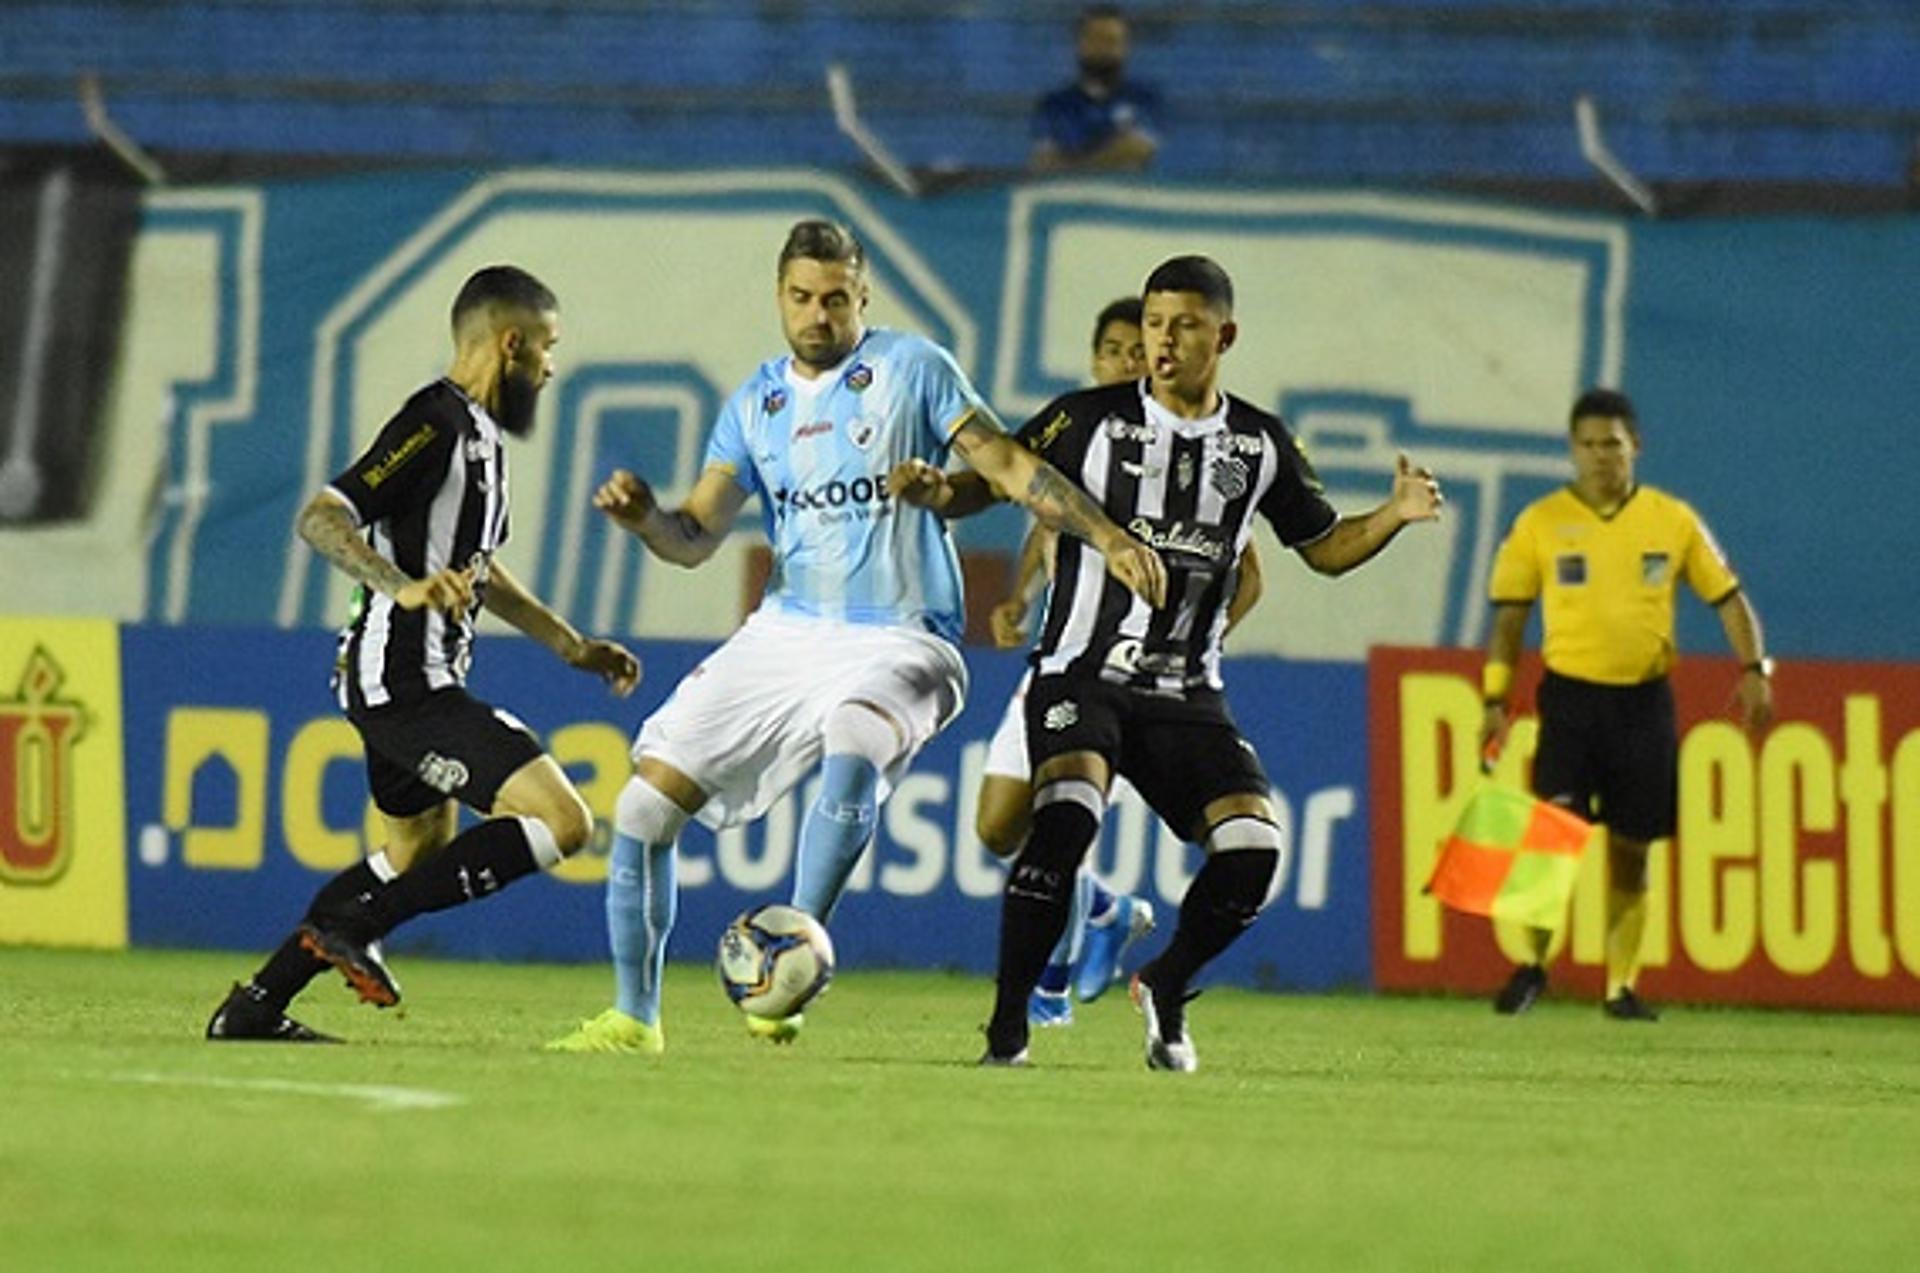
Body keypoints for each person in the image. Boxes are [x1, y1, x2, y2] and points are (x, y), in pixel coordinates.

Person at [545, 219, 1165, 1056]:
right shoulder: (755, 404)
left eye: (836, 299)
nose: (818, 315)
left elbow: (1013, 468)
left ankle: (793, 957)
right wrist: (644, 516)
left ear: (861, 297)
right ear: (779, 297)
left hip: (906, 636)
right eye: (802, 298)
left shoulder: (914, 369)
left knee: (852, 732)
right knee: (646, 804)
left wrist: (1108, 534)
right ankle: (633, 1018)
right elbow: (695, 534)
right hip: (787, 630)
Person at [894, 255, 1444, 1071]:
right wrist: (945, 493)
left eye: (1184, 325)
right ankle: (1007, 1029)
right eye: (1154, 324)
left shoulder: (1258, 444)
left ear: (1224, 335)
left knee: (1255, 849)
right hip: (1079, 674)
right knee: (1066, 818)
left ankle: (1166, 984)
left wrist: (1393, 514)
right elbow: (1004, 476)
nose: (1163, 341)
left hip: (1187, 693)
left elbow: (1324, 549)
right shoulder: (1086, 418)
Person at [207, 265, 641, 1042]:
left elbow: (482, 572)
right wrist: (396, 584)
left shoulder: (485, 441)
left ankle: (256, 1006)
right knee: (563, 820)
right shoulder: (432, 422)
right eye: (547, 348)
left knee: (414, 853)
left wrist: (569, 644)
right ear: (510, 344)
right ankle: (359, 929)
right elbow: (322, 516)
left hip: (410, 683)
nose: (551, 365)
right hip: (406, 682)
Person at [978, 297, 1266, 1028]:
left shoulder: (1194, 459)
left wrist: (1192, 637)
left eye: (1136, 349)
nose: (1127, 361)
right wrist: (1019, 599)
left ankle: (1037, 995)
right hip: (1064, 662)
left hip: (1152, 687)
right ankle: (1103, 910)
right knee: (996, 829)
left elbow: (1247, 570)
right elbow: (1045, 528)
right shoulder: (1083, 437)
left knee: (1063, 816)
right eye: (1113, 348)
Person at [1480, 388, 1773, 1021]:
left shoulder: (1671, 520)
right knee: (1552, 841)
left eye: (1611, 444)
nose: (1599, 457)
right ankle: (1533, 965)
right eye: (1587, 445)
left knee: (1632, 849)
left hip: (1643, 705)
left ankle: (1621, 987)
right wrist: (1496, 696)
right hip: (1570, 703)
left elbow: (1728, 597)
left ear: (1634, 447)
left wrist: (1754, 668)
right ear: (1572, 450)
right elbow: (1510, 619)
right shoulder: (1540, 523)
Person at [1029, 5, 1162, 174]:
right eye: (1095, 39)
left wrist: (1072, 167)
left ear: (1126, 48)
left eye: (1112, 41)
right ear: (1079, 45)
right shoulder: (1053, 104)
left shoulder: (1145, 99)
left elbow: (1137, 151)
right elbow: (1044, 163)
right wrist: (1113, 154)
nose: (1103, 49)